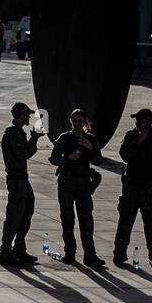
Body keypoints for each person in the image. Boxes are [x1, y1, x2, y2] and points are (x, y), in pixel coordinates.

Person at [113, 108, 152, 269]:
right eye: (137, 120)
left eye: (140, 120)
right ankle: (119, 254)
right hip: (131, 186)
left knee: (151, 225)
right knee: (125, 221)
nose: (137, 122)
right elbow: (124, 155)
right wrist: (137, 142)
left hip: (150, 187)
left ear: (149, 122)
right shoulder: (131, 135)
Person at [48, 107, 105, 267]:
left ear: (85, 122)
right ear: (71, 122)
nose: (78, 124)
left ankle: (90, 254)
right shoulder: (65, 138)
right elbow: (53, 158)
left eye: (80, 121)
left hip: (83, 183)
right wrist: (67, 158)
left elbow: (99, 161)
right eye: (75, 121)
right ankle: (70, 252)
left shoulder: (90, 139)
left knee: (86, 219)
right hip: (67, 181)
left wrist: (90, 147)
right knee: (67, 219)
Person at [0, 102, 42, 268]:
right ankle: (6, 251)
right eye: (26, 114)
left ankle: (19, 248)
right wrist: (34, 139)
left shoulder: (17, 131)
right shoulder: (12, 133)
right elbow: (25, 153)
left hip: (22, 179)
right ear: (19, 115)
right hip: (16, 180)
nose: (29, 117)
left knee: (27, 211)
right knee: (14, 216)